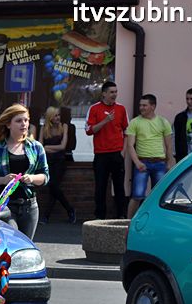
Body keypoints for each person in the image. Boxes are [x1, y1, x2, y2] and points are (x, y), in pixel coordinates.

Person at [0, 104, 49, 240]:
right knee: (11, 243)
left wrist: (31, 178)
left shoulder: (36, 147)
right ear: (8, 124)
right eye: (19, 121)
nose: (24, 124)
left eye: (26, 120)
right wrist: (2, 180)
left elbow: (45, 176)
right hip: (4, 205)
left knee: (25, 248)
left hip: (29, 205)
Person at [86, 81, 129, 219]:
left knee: (119, 187)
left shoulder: (121, 109)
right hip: (101, 154)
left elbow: (127, 131)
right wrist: (105, 121)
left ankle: (121, 216)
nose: (114, 95)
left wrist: (123, 152)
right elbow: (89, 130)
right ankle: (100, 217)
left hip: (117, 153)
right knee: (100, 187)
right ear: (104, 93)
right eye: (111, 92)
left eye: (116, 92)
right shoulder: (94, 108)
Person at [126, 94, 174, 218]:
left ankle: (156, 222)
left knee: (159, 196)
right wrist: (137, 162)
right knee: (137, 195)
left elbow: (169, 145)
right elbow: (130, 145)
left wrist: (169, 163)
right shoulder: (134, 122)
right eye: (140, 105)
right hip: (142, 163)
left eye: (144, 105)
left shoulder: (163, 122)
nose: (141, 108)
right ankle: (128, 224)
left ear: (153, 106)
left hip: (160, 163)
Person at [39, 107, 76, 224]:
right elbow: (40, 146)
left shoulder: (63, 127)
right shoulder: (43, 128)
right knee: (52, 187)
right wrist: (46, 148)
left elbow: (62, 146)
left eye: (58, 115)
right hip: (48, 161)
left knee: (53, 185)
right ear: (49, 117)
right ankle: (69, 210)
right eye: (55, 115)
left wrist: (47, 147)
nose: (57, 118)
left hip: (60, 161)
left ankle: (47, 216)